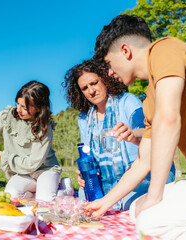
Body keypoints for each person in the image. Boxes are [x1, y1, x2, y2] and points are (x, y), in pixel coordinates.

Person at [84, 14, 186, 239]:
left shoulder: (165, 49)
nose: (110, 73)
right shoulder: (151, 97)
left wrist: (154, 196)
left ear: (125, 50)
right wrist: (105, 203)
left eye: (109, 64)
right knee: (136, 209)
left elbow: (169, 119)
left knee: (150, 219)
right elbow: (144, 160)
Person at [63, 58, 175, 210]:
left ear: (105, 79)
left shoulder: (127, 101)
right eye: (84, 88)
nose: (91, 91)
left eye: (94, 83)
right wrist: (83, 175)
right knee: (83, 204)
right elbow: (87, 154)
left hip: (139, 179)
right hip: (102, 182)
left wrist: (133, 134)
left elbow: (150, 133)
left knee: (132, 207)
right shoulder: (84, 118)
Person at [0, 80, 62, 202]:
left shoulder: (45, 128)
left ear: (39, 108)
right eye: (18, 103)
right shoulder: (9, 115)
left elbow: (31, 164)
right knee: (11, 196)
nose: (18, 109)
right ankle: (38, 194)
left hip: (44, 170)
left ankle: (63, 192)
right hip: (23, 173)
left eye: (24, 107)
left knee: (44, 202)